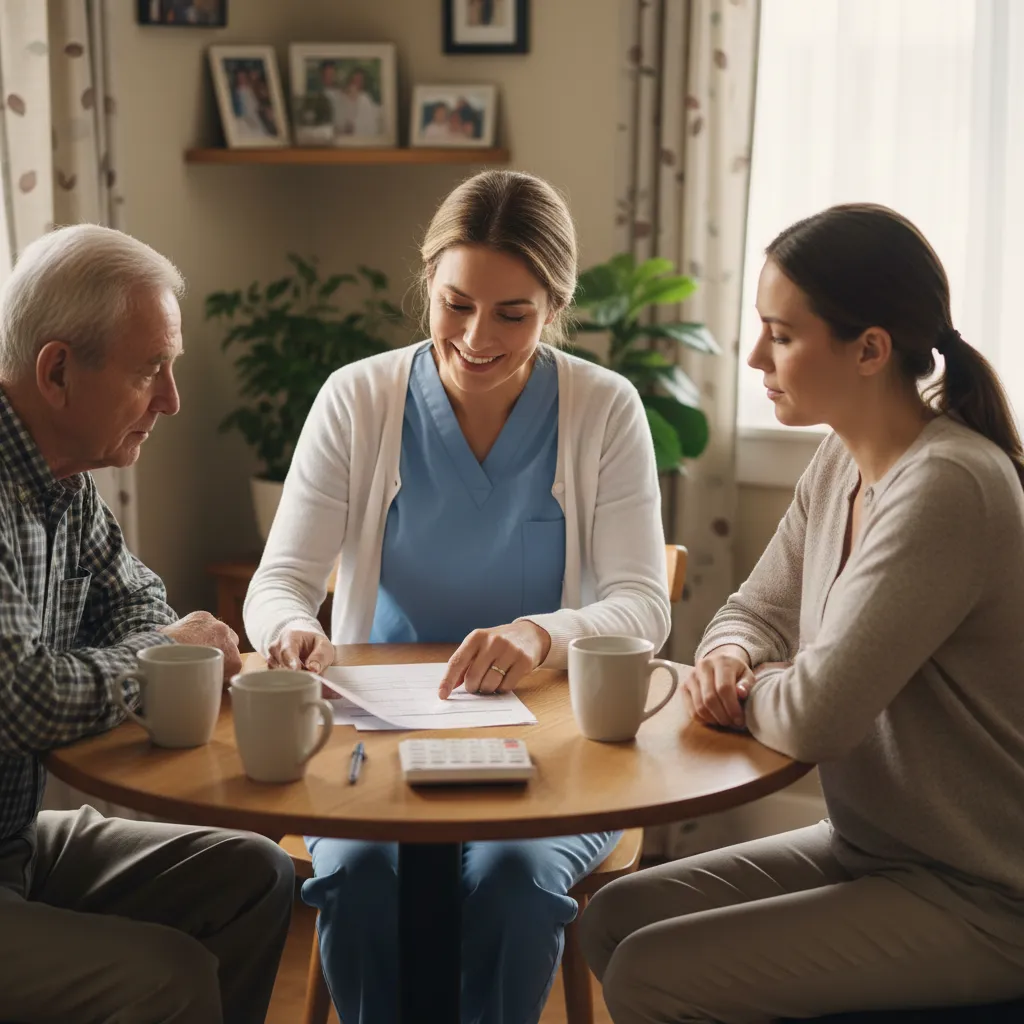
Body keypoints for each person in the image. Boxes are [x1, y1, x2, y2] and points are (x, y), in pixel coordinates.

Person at [244, 169, 671, 1024]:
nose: (477, 337)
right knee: (362, 879)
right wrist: (290, 628)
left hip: (552, 745)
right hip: (370, 744)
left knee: (514, 883)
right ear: (428, 285)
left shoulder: (603, 409)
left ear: (554, 307)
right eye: (456, 304)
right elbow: (280, 582)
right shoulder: (358, 399)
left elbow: (642, 604)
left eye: (513, 314)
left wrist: (541, 634)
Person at [581, 204, 1024, 1022]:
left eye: (781, 335)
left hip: (983, 891)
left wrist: (751, 690)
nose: (755, 355)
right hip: (876, 849)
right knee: (613, 917)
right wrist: (730, 657)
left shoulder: (947, 485)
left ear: (870, 350)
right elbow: (753, 609)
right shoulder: (840, 460)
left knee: (648, 974)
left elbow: (818, 717)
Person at [0, 224, 295, 1023]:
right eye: (148, 371)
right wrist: (165, 651)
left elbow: (141, 602)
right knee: (171, 976)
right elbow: (23, 697)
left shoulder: (64, 480)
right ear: (57, 372)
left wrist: (157, 644)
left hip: (15, 839)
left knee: (255, 875)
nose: (171, 399)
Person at [331, 65, 383, 137]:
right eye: (355, 79)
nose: (356, 82)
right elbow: (338, 119)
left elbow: (369, 123)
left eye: (360, 80)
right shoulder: (342, 97)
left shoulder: (365, 98)